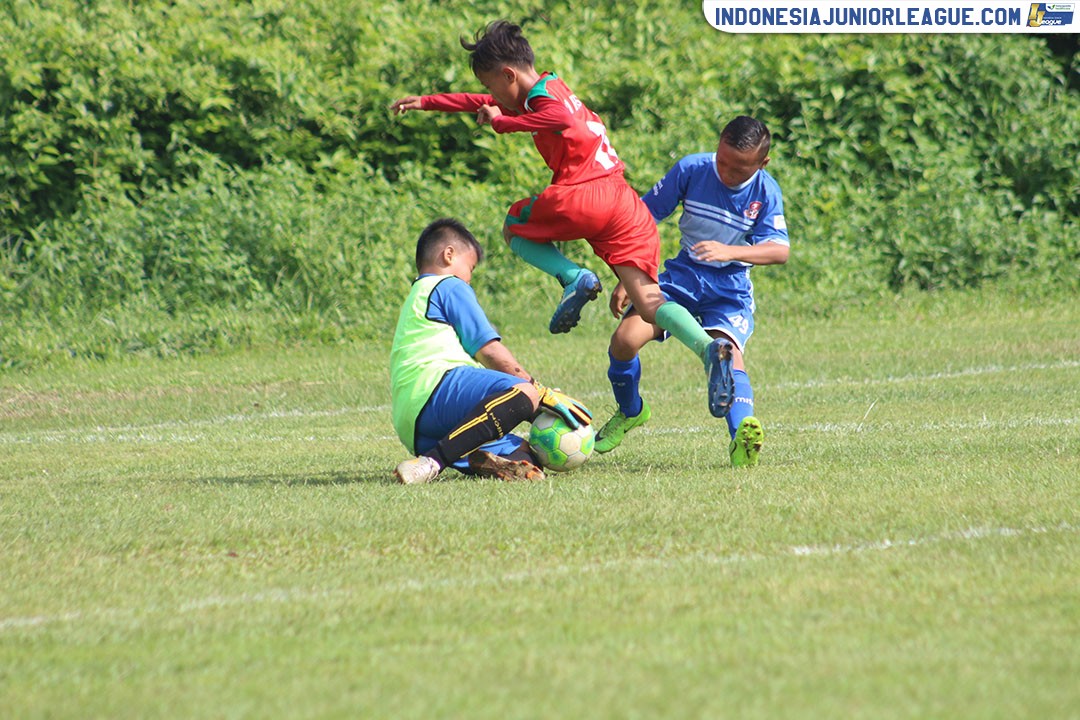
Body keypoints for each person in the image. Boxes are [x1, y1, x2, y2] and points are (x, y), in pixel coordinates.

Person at [390, 19, 735, 422]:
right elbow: (479, 101)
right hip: (623, 201)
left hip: (586, 194)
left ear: (508, 75)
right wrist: (429, 101)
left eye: (492, 86)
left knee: (513, 225)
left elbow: (559, 122)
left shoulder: (543, 103)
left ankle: (574, 278)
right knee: (647, 300)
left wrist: (503, 123)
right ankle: (707, 349)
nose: (491, 96)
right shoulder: (552, 86)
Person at [594, 116, 790, 468]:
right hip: (681, 279)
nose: (727, 173)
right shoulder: (692, 169)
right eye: (723, 161)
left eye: (740, 169)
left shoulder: (765, 192)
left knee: (728, 355)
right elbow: (642, 218)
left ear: (763, 164)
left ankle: (741, 437)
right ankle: (630, 411)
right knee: (625, 339)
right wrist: (629, 274)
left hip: (728, 291)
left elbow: (779, 250)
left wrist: (730, 251)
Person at [390, 217, 591, 485]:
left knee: (525, 455)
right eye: (470, 267)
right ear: (448, 255)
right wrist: (539, 393)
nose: (469, 279)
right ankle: (432, 462)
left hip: (414, 426)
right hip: (434, 389)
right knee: (524, 392)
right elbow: (489, 351)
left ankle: (484, 460)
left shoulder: (417, 293)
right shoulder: (447, 285)